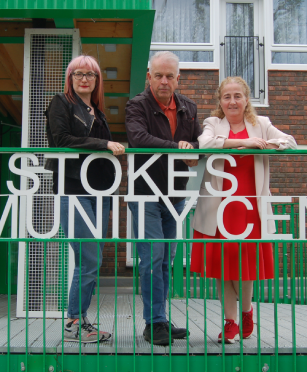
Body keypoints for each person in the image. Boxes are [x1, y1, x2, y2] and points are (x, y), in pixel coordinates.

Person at [191, 76, 296, 344]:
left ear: (246, 99)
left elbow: (289, 141)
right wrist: (246, 144)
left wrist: (270, 143)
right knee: (223, 268)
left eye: (238, 96)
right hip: (219, 208)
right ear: (220, 101)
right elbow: (203, 144)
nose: (232, 101)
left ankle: (246, 311)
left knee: (244, 267)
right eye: (227, 97)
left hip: (250, 208)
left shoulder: (261, 124)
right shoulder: (213, 124)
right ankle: (231, 322)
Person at [45, 55, 125, 343]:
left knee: (91, 258)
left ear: (97, 80)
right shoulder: (61, 104)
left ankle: (81, 320)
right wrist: (103, 143)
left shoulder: (98, 112)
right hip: (72, 188)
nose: (84, 78)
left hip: (100, 192)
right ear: (70, 78)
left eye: (90, 74)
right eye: (78, 73)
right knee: (89, 256)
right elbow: (62, 140)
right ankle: (74, 321)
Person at [125, 51, 201, 346]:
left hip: (175, 193)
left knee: (166, 258)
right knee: (152, 255)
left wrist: (191, 148)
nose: (164, 81)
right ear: (149, 76)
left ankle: (160, 318)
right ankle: (152, 323)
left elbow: (199, 140)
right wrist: (178, 147)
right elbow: (138, 138)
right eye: (159, 75)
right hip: (144, 192)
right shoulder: (137, 104)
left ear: (178, 78)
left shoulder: (189, 107)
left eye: (170, 76)